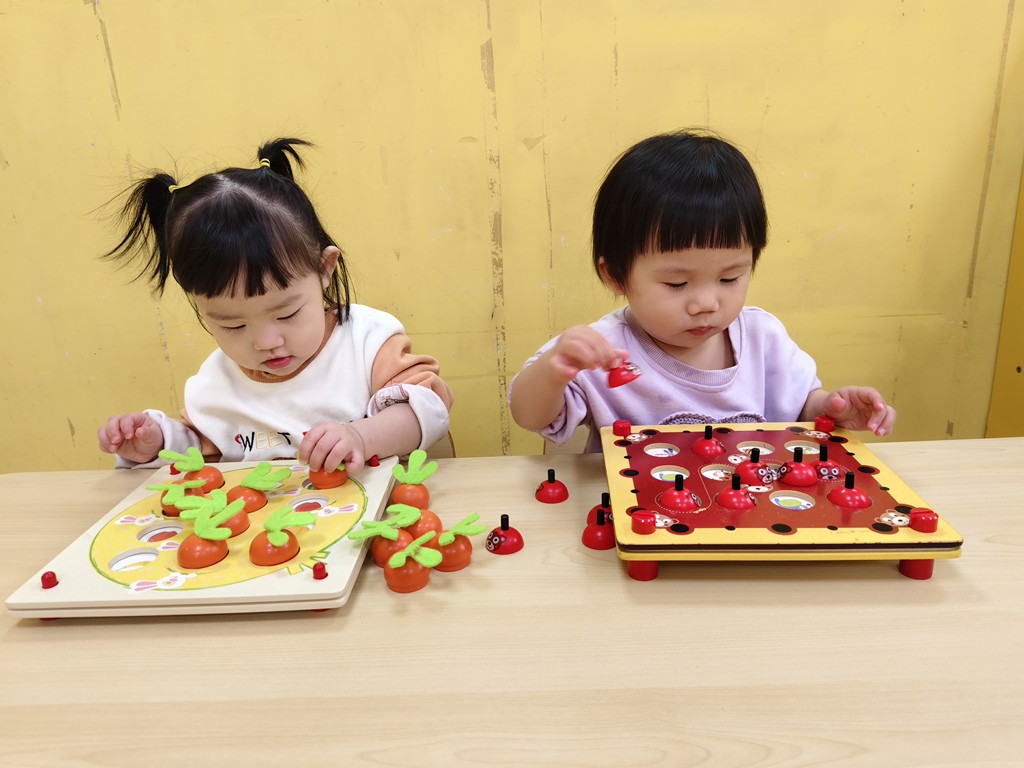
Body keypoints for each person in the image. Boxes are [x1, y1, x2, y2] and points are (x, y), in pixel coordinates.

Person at [509, 130, 895, 451]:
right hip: (639, 515)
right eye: (677, 283)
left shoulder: (763, 338)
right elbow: (530, 416)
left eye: (730, 278)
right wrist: (554, 371)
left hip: (750, 510)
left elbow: (801, 407)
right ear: (615, 276)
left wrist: (830, 408)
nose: (707, 304)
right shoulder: (602, 351)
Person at [97, 138, 453, 473]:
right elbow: (202, 452)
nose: (267, 342)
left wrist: (360, 436)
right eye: (233, 325)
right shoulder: (218, 382)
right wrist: (156, 443)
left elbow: (426, 409)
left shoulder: (366, 343)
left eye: (287, 313)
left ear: (324, 269)